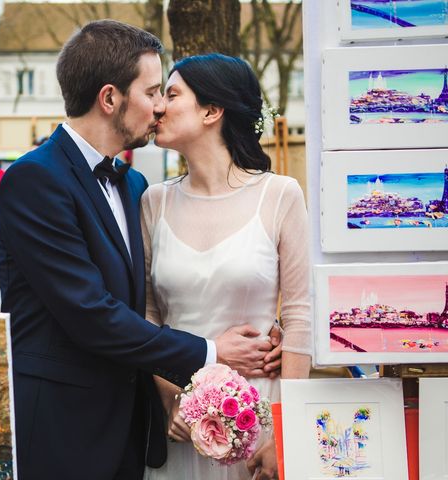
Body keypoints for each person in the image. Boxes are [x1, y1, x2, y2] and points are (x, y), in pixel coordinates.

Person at [0, 21, 281, 480]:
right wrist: (211, 352)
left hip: (133, 432)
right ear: (110, 99)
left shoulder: (134, 186)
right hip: (61, 430)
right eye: (151, 92)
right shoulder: (34, 179)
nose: (160, 105)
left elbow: (148, 300)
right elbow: (91, 313)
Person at [141, 54, 312, 480]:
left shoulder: (280, 195)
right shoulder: (153, 202)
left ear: (212, 111)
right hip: (181, 422)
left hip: (260, 421)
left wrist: (286, 434)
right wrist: (171, 401)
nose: (158, 106)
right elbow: (145, 318)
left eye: (172, 94)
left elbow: (299, 317)